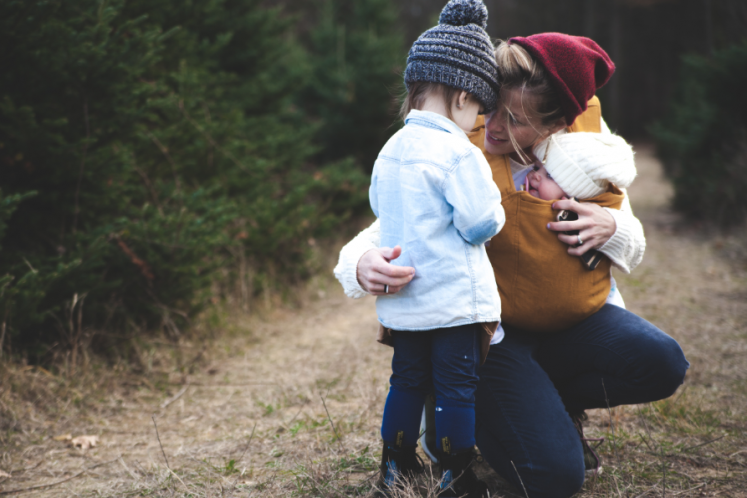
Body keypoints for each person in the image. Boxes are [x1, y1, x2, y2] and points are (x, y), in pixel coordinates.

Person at [334, 33, 689, 498]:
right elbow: (395, 221)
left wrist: (612, 227)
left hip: (571, 324)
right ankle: (468, 401)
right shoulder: (460, 146)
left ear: (557, 123)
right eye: (492, 108)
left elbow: (633, 241)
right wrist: (359, 263)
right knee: (556, 477)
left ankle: (550, 402)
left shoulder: (584, 155)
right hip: (490, 336)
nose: (494, 126)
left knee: (663, 363)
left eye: (516, 120)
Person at [370, 1, 503, 496]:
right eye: (479, 112)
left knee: (405, 379)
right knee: (454, 387)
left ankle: (395, 464)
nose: (477, 123)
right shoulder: (458, 152)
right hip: (453, 301)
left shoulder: (391, 150)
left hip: (404, 302)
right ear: (465, 96)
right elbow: (479, 223)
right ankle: (456, 472)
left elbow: (380, 209)